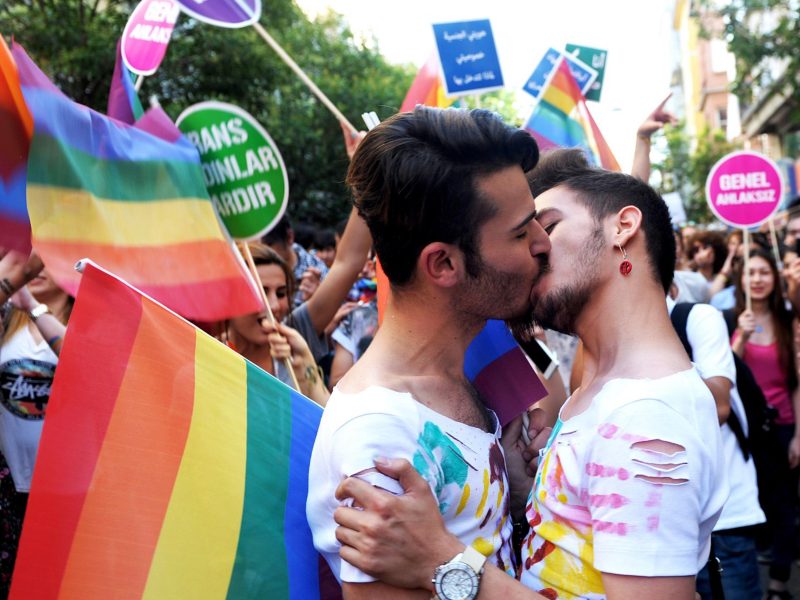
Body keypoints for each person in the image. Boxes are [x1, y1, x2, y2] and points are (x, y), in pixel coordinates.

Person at [331, 148, 727, 600]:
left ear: (623, 226)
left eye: (549, 226)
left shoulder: (647, 415)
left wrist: (443, 561)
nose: (535, 247)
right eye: (525, 232)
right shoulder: (602, 395)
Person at [306, 106, 553, 599]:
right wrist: (451, 568)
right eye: (522, 232)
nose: (544, 244)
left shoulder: (457, 378)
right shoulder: (381, 429)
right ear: (443, 263)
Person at [731, 248, 800, 600]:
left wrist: (799, 436)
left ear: (774, 278)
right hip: (748, 432)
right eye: (751, 273)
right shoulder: (729, 319)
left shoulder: (789, 321)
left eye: (764, 273)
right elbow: (725, 375)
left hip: (784, 428)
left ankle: (777, 583)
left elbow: (796, 383)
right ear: (741, 279)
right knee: (752, 504)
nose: (757, 279)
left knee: (785, 508)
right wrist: (740, 337)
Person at [0, 266, 70, 595]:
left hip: (68, 493)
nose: (37, 268)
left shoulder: (91, 320)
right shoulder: (5, 320)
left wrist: (33, 307)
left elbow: (85, 361)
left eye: (48, 260)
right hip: (8, 488)